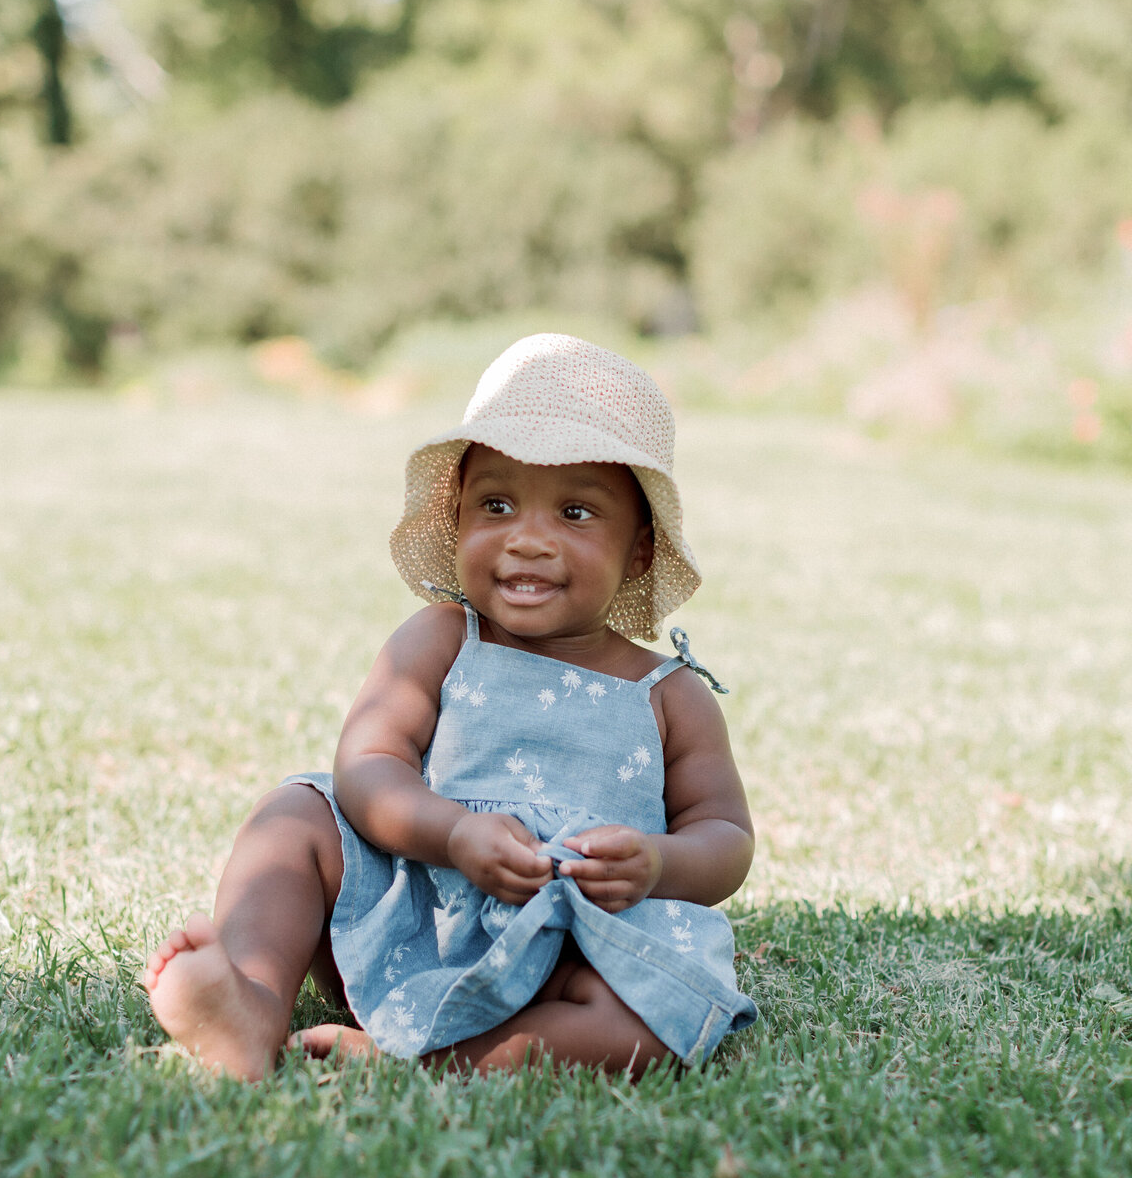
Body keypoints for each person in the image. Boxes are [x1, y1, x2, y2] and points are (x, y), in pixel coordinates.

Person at [144, 333, 757, 1080]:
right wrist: (454, 834)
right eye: (497, 505)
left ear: (639, 551)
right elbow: (370, 765)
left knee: (654, 1022)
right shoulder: (441, 638)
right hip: (420, 910)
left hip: (573, 940)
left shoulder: (670, 694)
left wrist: (657, 862)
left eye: (574, 513)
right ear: (460, 518)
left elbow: (725, 836)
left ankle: (433, 1058)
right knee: (296, 815)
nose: (528, 540)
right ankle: (249, 1001)